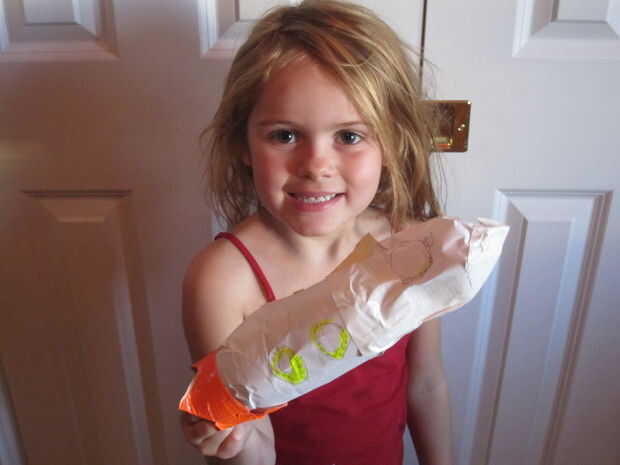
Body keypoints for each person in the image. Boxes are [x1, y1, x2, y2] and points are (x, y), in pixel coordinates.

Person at [180, 1, 453, 464]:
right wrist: (232, 441)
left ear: (392, 141)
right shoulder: (222, 281)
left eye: (349, 136)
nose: (315, 166)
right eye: (285, 135)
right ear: (242, 142)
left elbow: (426, 383)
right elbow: (252, 444)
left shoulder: (412, 245)